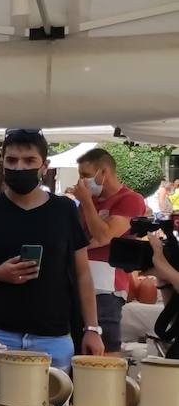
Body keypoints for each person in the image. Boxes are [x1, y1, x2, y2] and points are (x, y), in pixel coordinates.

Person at [0, 128, 104, 372]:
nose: (20, 167)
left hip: (52, 338)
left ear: (44, 166)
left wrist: (92, 329)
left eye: (29, 160)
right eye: (12, 160)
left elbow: (83, 273)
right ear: (3, 164)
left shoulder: (64, 210)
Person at [74, 147, 148, 353]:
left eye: (86, 176)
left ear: (103, 173)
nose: (82, 182)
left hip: (107, 285)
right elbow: (81, 238)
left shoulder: (130, 199)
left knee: (104, 348)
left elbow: (103, 236)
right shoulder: (88, 203)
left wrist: (87, 202)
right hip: (79, 278)